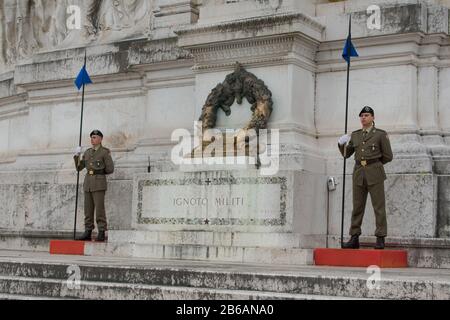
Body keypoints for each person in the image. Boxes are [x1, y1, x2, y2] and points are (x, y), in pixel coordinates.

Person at [338, 106, 393, 250]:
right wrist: (341, 143)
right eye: (362, 115)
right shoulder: (355, 135)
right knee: (357, 207)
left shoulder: (380, 134)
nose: (364, 118)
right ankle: (354, 237)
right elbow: (346, 154)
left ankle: (380, 238)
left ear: (373, 118)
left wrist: (375, 165)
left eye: (367, 115)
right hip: (358, 173)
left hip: (375, 173)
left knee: (378, 207)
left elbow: (388, 156)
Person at [74, 130, 114, 241]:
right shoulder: (87, 152)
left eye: (95, 137)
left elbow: (110, 169)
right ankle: (88, 230)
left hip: (99, 183)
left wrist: (99, 173)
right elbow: (79, 168)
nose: (92, 139)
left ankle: (101, 231)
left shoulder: (104, 152)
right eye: (91, 137)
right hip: (88, 183)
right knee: (88, 209)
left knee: (99, 209)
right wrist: (77, 155)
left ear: (101, 139)